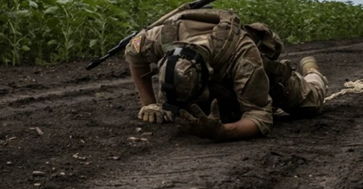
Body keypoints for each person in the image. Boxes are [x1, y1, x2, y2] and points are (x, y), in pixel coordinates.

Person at [124, 8, 328, 141]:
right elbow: (132, 54)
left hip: (260, 75)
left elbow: (259, 117)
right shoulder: (158, 38)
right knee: (218, 111)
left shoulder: (244, 58)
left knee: (310, 104)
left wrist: (221, 132)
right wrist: (148, 103)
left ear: (207, 75)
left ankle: (312, 72)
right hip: (219, 76)